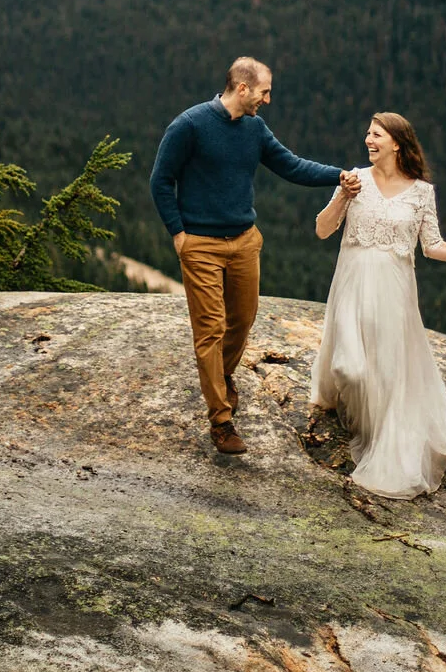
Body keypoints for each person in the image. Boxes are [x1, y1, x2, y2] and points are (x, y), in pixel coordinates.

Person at [151, 57, 360, 455]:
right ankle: (221, 420)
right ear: (243, 88)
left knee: (243, 319)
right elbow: (161, 180)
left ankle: (224, 373)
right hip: (201, 245)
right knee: (210, 328)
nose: (268, 99)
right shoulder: (189, 125)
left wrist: (340, 175)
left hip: (245, 241)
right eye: (265, 91)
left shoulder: (254, 128)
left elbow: (292, 166)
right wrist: (178, 234)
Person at [308, 112, 446, 499]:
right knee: (350, 367)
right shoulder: (354, 179)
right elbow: (323, 229)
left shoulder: (422, 192)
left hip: (395, 293)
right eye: (367, 134)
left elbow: (432, 246)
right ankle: (354, 415)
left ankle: (379, 435)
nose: (368, 140)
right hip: (352, 285)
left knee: (388, 370)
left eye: (376, 135)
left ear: (397, 142)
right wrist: (342, 194)